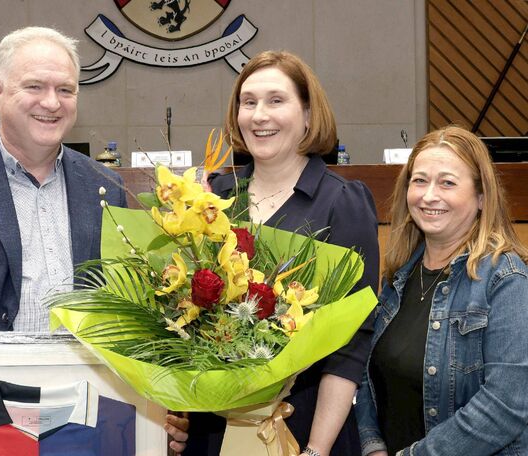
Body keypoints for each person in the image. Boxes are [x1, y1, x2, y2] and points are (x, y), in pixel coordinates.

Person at [169, 50, 380, 456]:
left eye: (276, 100)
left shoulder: (342, 203)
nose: (259, 115)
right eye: (248, 102)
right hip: (214, 430)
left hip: (305, 426)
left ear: (307, 114)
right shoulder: (215, 198)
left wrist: (316, 449)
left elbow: (354, 341)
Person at [0, 27, 127, 331]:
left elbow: (121, 303)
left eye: (65, 90)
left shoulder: (106, 186)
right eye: (34, 86)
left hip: (83, 375)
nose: (51, 103)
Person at [355, 126, 528, 455]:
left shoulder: (507, 280)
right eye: (419, 181)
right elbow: (366, 374)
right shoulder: (398, 278)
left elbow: (507, 406)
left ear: (481, 197)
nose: (428, 195)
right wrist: (372, 444)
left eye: (447, 182)